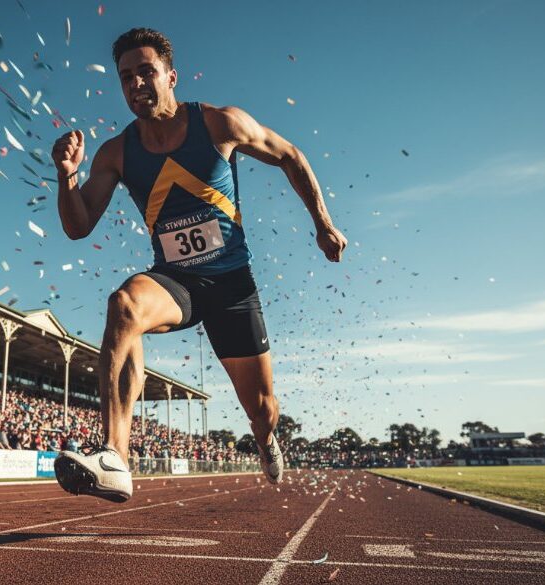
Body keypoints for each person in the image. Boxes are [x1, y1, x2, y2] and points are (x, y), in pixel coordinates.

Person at [52, 28, 346, 502]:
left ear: (171, 76)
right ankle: (115, 457)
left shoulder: (220, 123)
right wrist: (67, 178)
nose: (135, 84)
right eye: (125, 77)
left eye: (146, 72)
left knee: (262, 410)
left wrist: (323, 223)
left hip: (232, 285)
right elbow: (78, 225)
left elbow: (290, 155)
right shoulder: (116, 153)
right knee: (124, 305)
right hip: (176, 282)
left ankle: (266, 439)